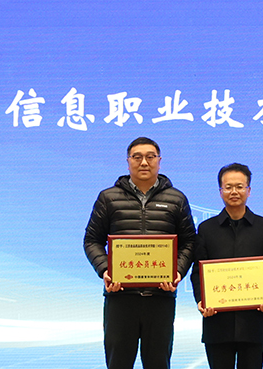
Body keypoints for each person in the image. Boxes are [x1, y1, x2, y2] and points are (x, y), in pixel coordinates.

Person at [83, 137, 197, 369]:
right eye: (137, 157)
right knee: (118, 363)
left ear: (159, 161)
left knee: (158, 362)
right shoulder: (108, 198)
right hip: (120, 297)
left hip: (160, 297)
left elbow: (189, 242)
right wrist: (105, 270)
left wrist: (177, 272)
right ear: (128, 161)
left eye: (150, 157)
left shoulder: (176, 199)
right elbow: (92, 240)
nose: (144, 162)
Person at [190, 163, 263, 369]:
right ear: (220, 191)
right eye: (228, 187)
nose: (234, 192)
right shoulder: (206, 229)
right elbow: (198, 272)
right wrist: (202, 300)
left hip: (253, 322)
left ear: (249, 190)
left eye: (239, 186)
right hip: (217, 322)